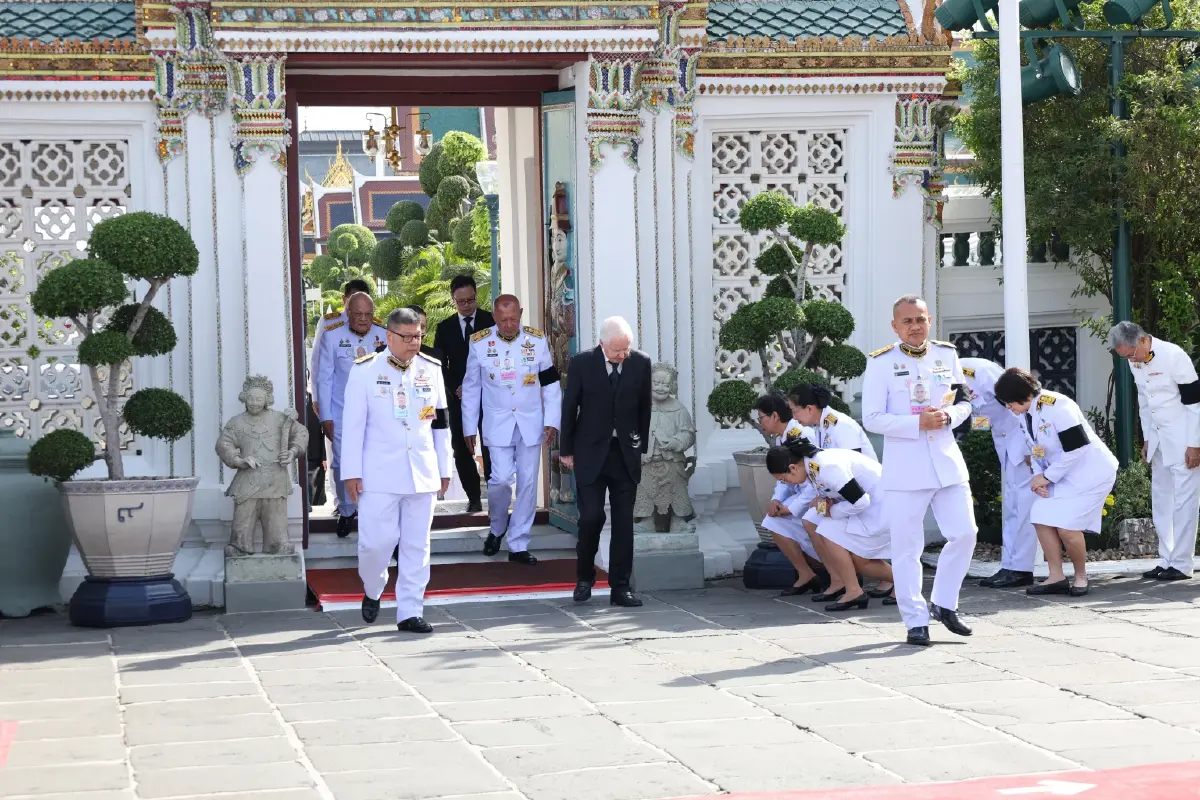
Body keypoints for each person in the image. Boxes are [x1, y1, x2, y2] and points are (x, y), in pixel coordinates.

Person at [861, 294, 976, 647]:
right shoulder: (881, 363)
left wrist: (948, 416)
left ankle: (944, 603)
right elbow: (872, 418)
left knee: (965, 533)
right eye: (908, 321)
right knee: (907, 548)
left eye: (921, 319)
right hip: (906, 468)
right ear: (895, 326)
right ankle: (915, 620)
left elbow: (964, 402)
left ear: (929, 321)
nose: (915, 326)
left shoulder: (946, 354)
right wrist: (916, 424)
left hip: (946, 461)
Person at [340, 307, 451, 633]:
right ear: (389, 337)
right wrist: (351, 472)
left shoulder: (431, 369)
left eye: (418, 336)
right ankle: (374, 588)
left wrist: (445, 467)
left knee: (417, 545)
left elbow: (441, 424)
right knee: (376, 544)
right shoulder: (365, 370)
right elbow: (353, 426)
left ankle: (410, 611)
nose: (415, 342)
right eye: (407, 337)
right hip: (378, 474)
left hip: (422, 471)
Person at [994, 368, 1118, 597]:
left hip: (1091, 474)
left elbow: (1077, 449)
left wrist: (1048, 477)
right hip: (1061, 474)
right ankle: (1056, 577)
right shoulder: (1024, 414)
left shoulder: (1059, 406)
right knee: (1040, 516)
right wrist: (1039, 477)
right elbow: (1036, 449)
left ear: (1023, 395)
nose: (1008, 407)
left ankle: (1081, 576)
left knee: (1066, 527)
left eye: (1009, 402)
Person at [461, 294, 561, 563]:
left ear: (521, 313)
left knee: (528, 483)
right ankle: (497, 528)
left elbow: (550, 383)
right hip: (497, 423)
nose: (508, 325)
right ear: (494, 317)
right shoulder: (480, 342)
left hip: (530, 422)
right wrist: (469, 426)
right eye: (503, 320)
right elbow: (471, 387)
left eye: (513, 319)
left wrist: (552, 419)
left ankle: (518, 543)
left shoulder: (536, 340)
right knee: (501, 479)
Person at [559, 316, 651, 607]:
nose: (622, 355)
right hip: (590, 453)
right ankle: (584, 577)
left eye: (626, 349)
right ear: (602, 344)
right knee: (591, 517)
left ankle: (621, 587)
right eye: (616, 350)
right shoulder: (582, 363)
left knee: (624, 523)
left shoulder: (641, 363)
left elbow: (645, 407)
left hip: (624, 454)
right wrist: (566, 450)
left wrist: (641, 447)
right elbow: (569, 407)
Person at [1109, 321, 1200, 581]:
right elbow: (1145, 400)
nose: (1130, 360)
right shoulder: (1135, 361)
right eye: (1125, 357)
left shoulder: (1173, 356)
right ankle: (1166, 559)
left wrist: (1195, 444)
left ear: (1142, 340)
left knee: (1184, 502)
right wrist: (1148, 438)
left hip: (1183, 439)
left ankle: (1182, 563)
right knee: (1162, 500)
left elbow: (1195, 403)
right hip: (1159, 440)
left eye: (1131, 354)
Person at [766, 437, 897, 611]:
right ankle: (891, 584)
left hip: (882, 511)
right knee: (858, 559)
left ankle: (856, 590)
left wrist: (831, 511)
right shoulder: (813, 465)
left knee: (831, 532)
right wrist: (824, 504)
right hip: (870, 510)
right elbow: (829, 494)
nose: (786, 483)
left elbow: (860, 501)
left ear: (793, 468)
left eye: (784, 479)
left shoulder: (827, 467)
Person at [786, 383, 889, 599]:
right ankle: (839, 579)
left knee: (827, 526)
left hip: (862, 495)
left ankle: (873, 579)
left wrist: (831, 506)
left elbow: (848, 473)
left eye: (795, 411)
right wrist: (824, 500)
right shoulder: (820, 427)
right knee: (811, 520)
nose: (794, 418)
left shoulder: (841, 425)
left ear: (809, 408)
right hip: (842, 495)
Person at [959, 358, 1037, 589]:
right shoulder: (938, 378)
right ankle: (1010, 566)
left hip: (1020, 440)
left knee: (1021, 506)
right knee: (1012, 506)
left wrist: (1029, 449)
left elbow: (1021, 406)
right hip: (1003, 439)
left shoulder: (979, 372)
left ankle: (1020, 569)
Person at [315, 291, 387, 538]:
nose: (364, 319)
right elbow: (324, 378)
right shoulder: (332, 335)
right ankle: (347, 511)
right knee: (342, 462)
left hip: (376, 414)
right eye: (358, 314)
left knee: (375, 461)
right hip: (342, 411)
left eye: (368, 314)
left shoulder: (384, 334)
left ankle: (373, 510)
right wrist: (325, 416)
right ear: (348, 313)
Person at [752, 393, 826, 597]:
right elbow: (784, 478)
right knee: (772, 521)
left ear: (775, 416)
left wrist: (792, 508)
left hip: (816, 495)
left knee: (812, 525)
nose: (761, 423)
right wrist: (776, 500)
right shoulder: (781, 438)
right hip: (799, 495)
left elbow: (814, 479)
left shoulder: (802, 435)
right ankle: (806, 573)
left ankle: (836, 572)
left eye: (761, 417)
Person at [433, 275, 495, 513]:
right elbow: (440, 364)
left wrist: (475, 385)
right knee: (461, 448)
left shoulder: (490, 321)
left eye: (471, 300)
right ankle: (474, 497)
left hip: (488, 395)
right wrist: (457, 387)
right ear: (453, 300)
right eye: (461, 301)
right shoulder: (445, 327)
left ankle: (495, 494)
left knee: (490, 445)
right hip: (458, 398)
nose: (467, 305)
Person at [309, 278, 372, 413]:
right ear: (344, 300)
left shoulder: (373, 325)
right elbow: (317, 361)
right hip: (337, 398)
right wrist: (316, 396)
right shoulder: (329, 323)